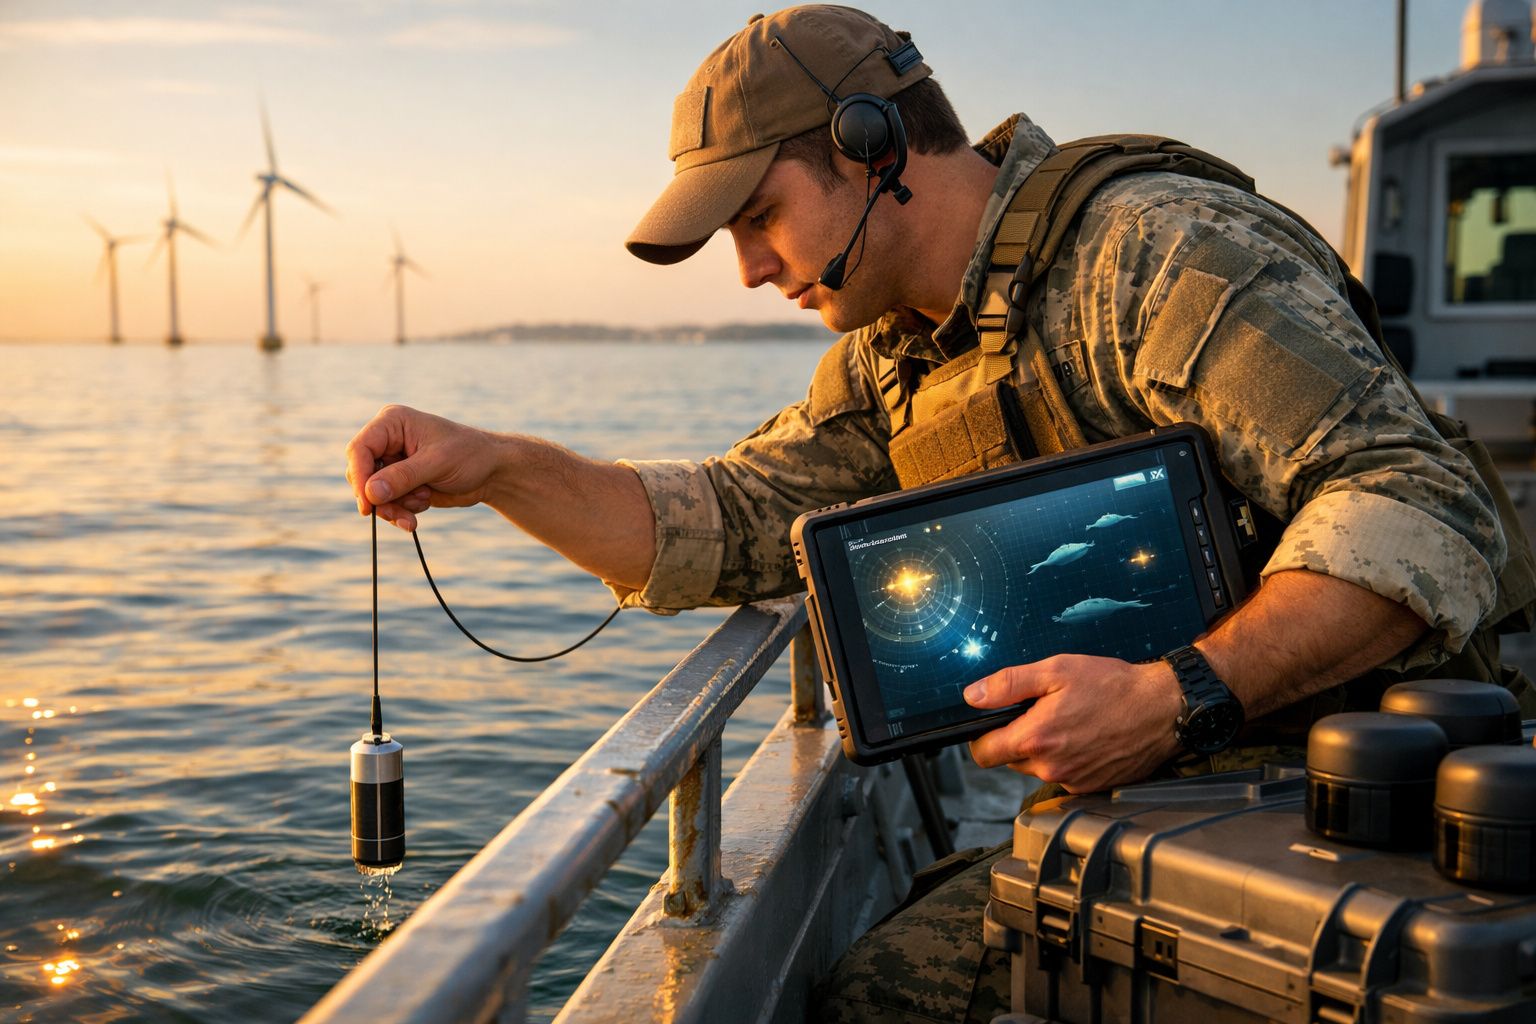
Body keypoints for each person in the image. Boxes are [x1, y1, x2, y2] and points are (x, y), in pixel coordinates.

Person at [346, 7, 1534, 1021]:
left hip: (1369, 775)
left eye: (760, 215)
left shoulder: (1160, 258)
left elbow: (1421, 505)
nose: (751, 269)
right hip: (1165, 781)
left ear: (869, 148)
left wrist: (1175, 694)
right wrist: (495, 467)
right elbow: (726, 519)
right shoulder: (895, 359)